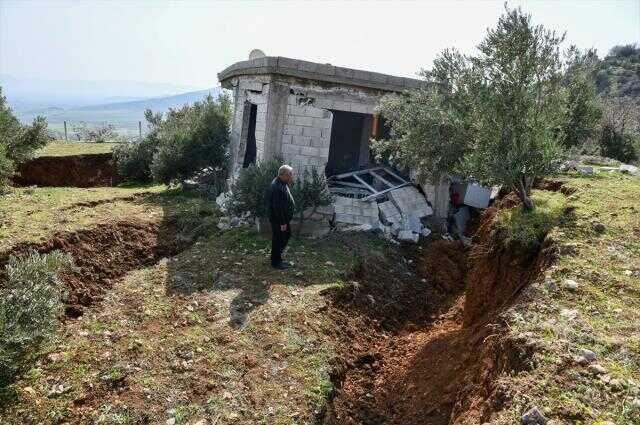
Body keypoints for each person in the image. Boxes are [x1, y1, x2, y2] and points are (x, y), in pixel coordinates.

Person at [267, 164, 295, 269]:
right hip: (279, 220)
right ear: (282, 175)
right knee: (279, 239)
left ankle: (277, 258)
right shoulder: (277, 186)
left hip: (281, 219)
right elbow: (277, 207)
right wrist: (282, 222)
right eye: (290, 175)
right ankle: (276, 262)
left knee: (284, 236)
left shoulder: (282, 183)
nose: (291, 177)